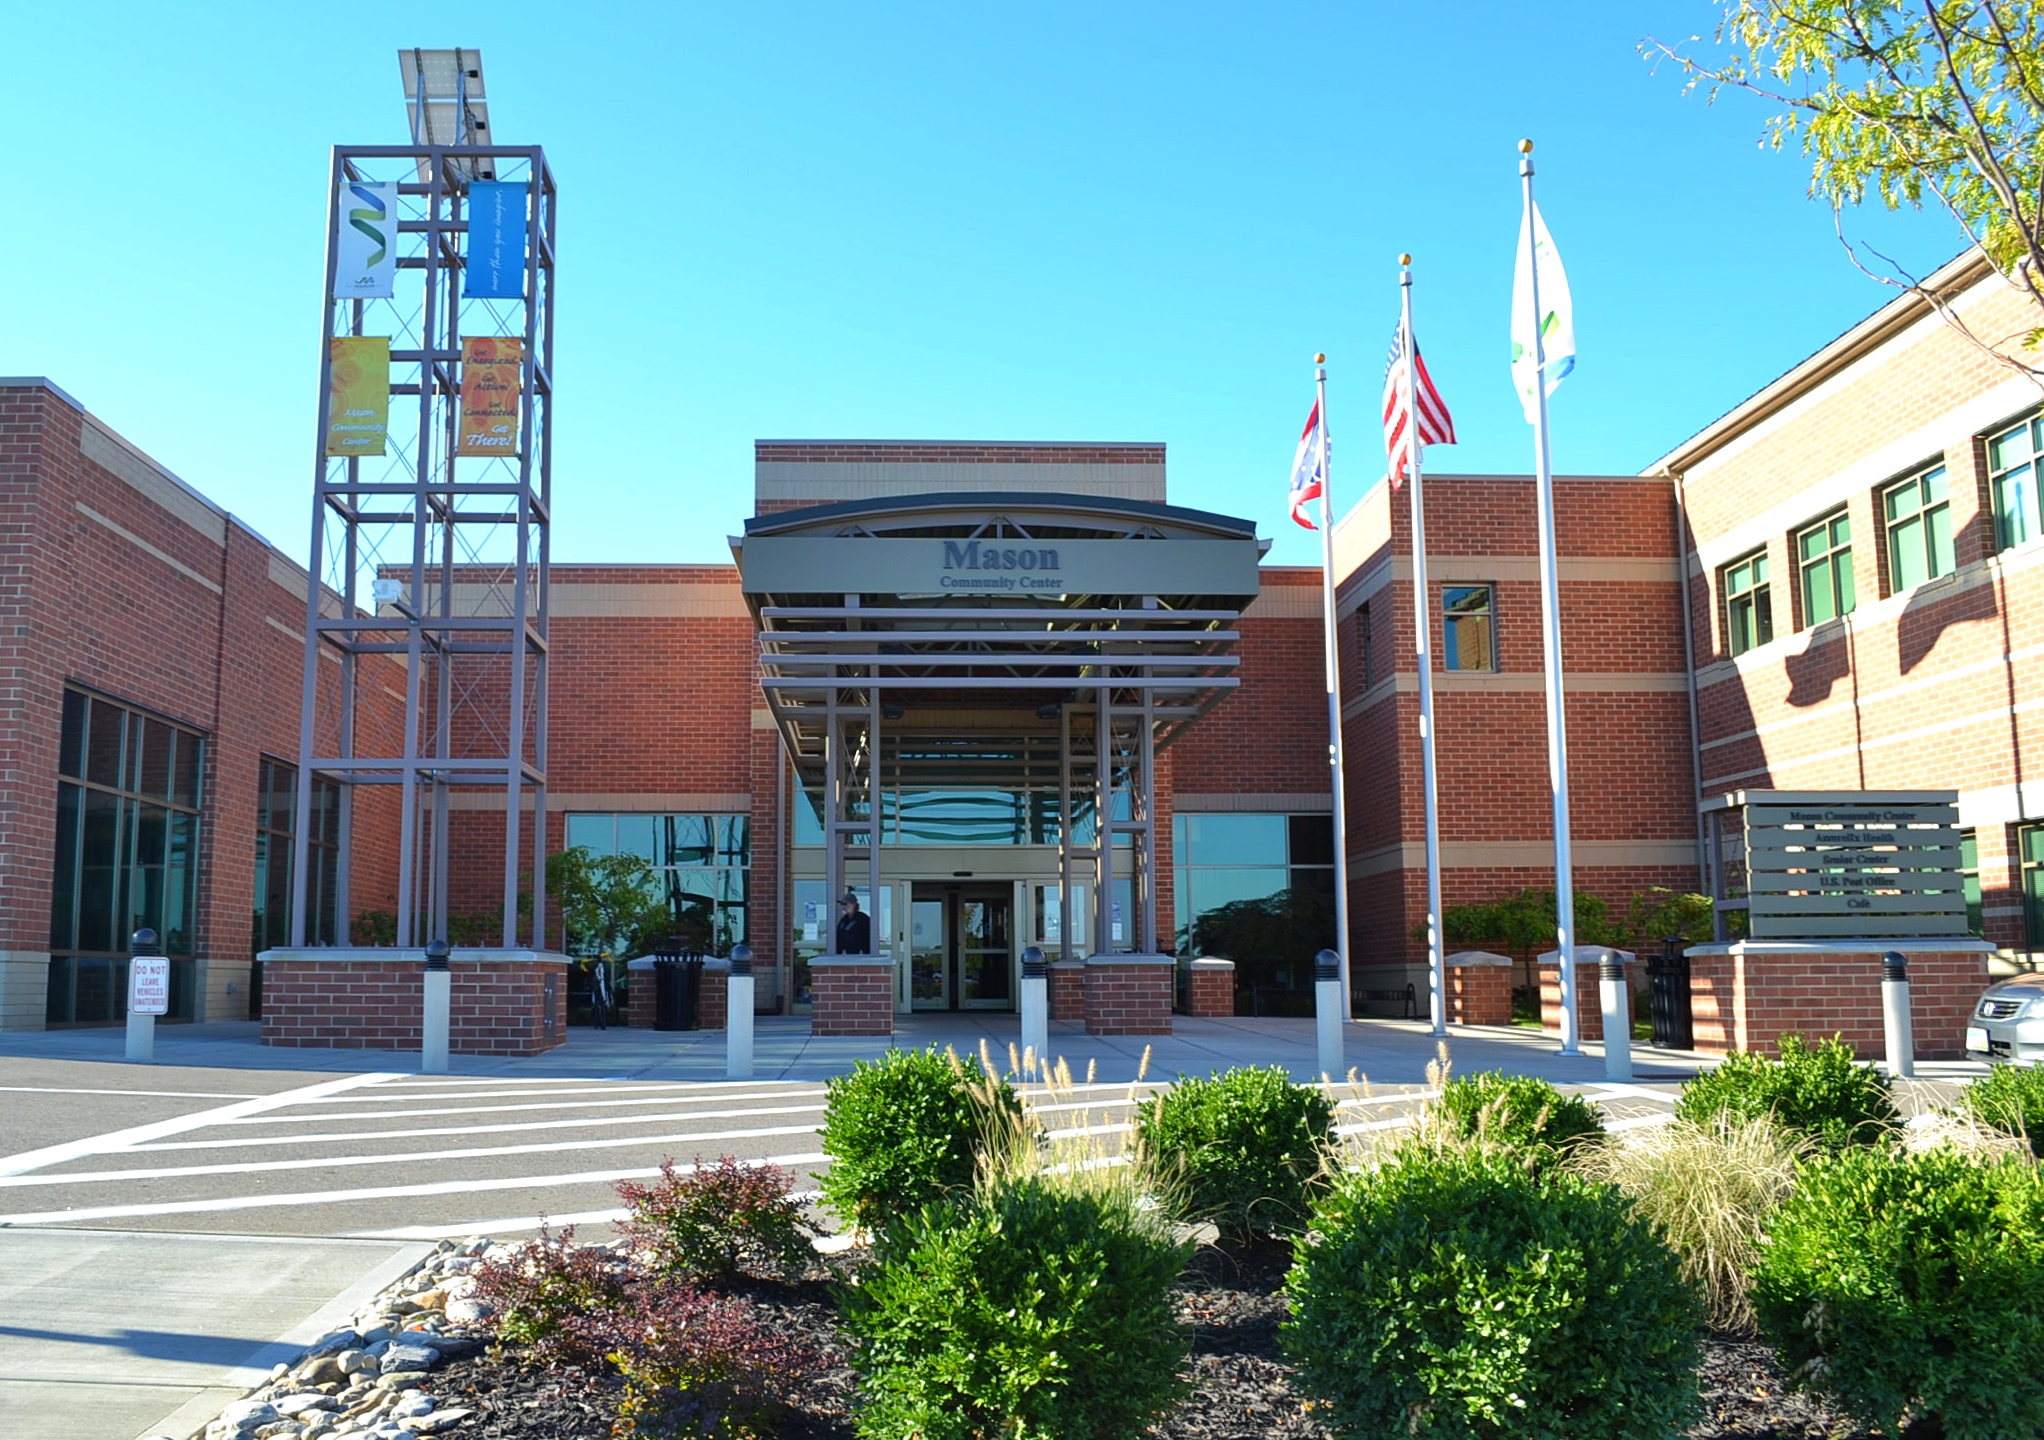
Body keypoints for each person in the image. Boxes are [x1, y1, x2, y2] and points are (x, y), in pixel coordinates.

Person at [836, 890, 871, 955]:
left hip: (860, 955)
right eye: (842, 904)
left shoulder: (863, 919)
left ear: (853, 904)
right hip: (844, 955)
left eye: (845, 904)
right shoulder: (843, 920)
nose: (843, 907)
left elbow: (868, 937)